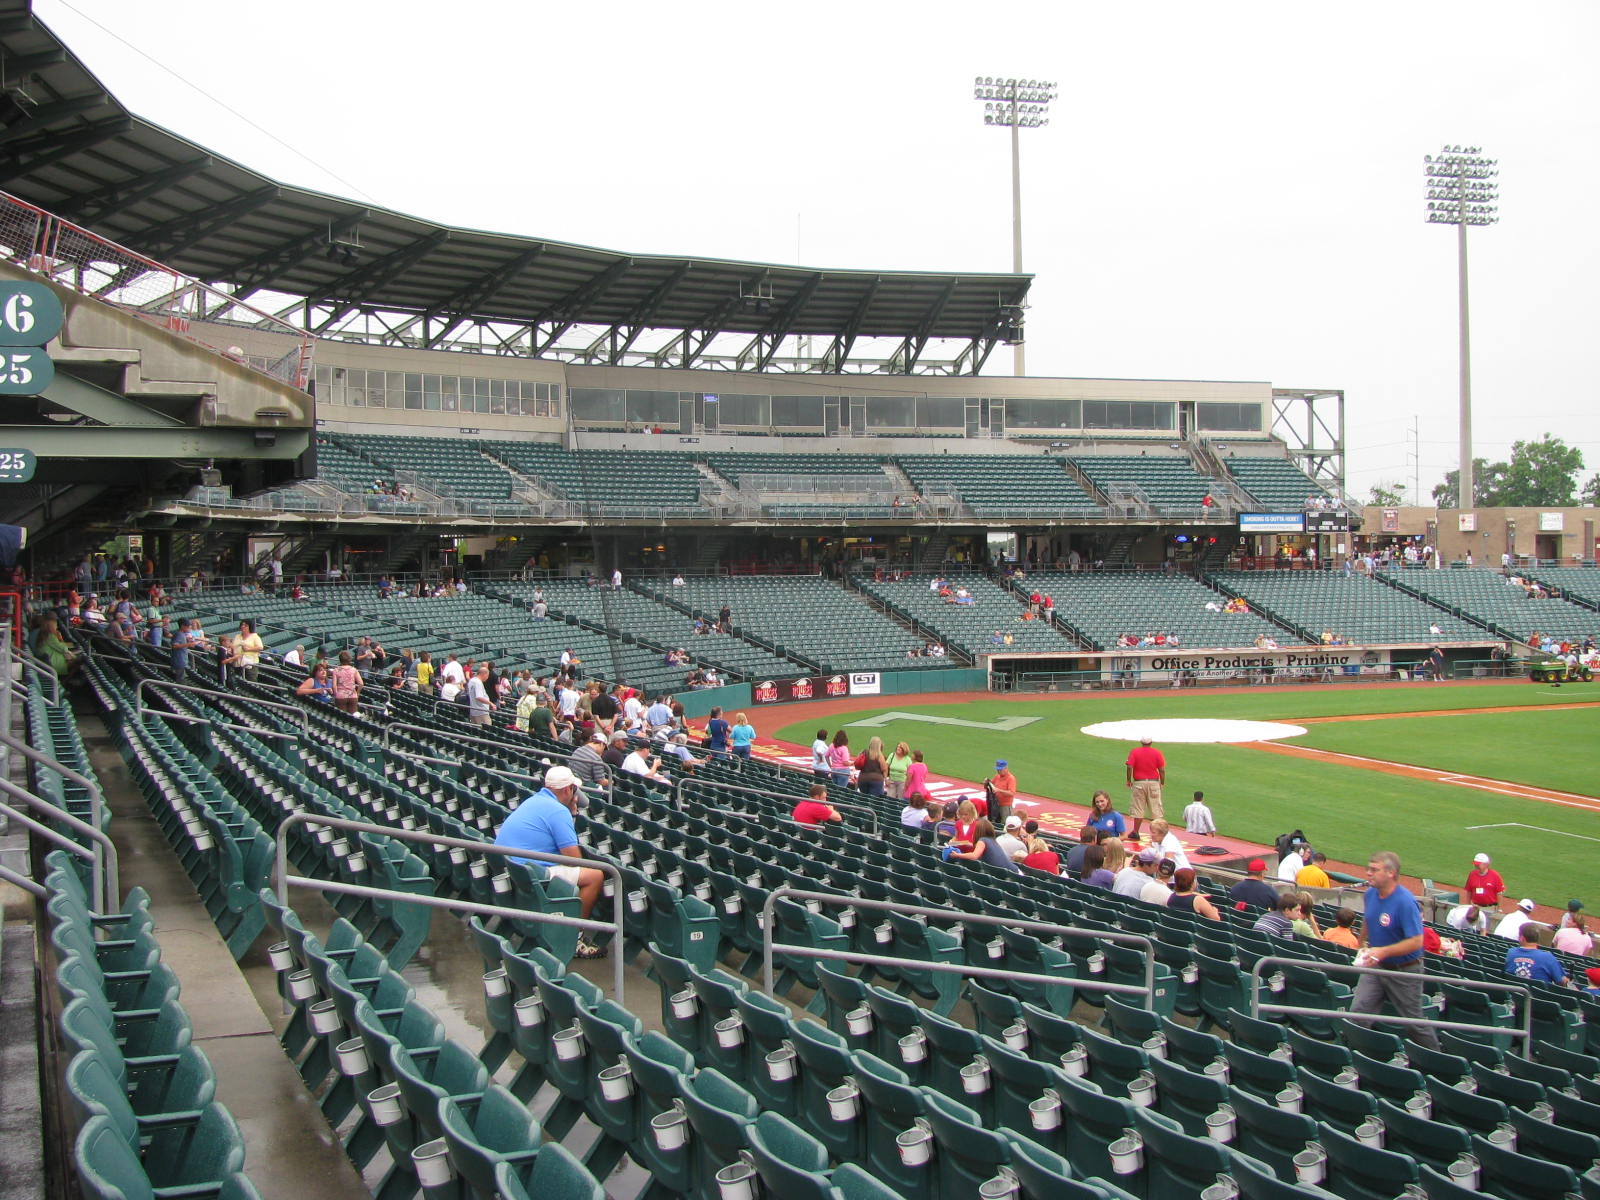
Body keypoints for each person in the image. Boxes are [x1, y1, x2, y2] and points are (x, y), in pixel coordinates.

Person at [494, 765, 606, 957]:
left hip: (513, 868)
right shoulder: (558, 811)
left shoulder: (533, 800)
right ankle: (574, 938)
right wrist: (572, 814)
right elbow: (574, 859)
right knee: (595, 875)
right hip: (532, 872)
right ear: (567, 789)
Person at [1351, 850, 1439, 1049]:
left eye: (1374, 869)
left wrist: (1383, 951)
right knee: (1357, 1014)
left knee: (1414, 1023)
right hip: (1377, 966)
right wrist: (1361, 941)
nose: (1368, 873)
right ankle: (1357, 1057)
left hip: (1405, 971)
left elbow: (1417, 941)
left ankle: (1438, 1059)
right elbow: (1369, 917)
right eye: (1368, 868)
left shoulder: (1405, 902)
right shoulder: (1370, 893)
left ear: (1391, 873)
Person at [1124, 735, 1166, 841]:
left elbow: (1129, 766)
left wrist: (1129, 780)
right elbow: (1161, 769)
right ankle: (1159, 833)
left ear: (1141, 742)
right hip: (1153, 783)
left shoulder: (1135, 752)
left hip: (1139, 783)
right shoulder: (1157, 753)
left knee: (1138, 808)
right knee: (1155, 809)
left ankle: (1136, 832)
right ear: (1151, 742)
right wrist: (1162, 782)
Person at [947, 819, 1021, 874]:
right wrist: (958, 843)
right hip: (1012, 872)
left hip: (1011, 874)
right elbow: (970, 844)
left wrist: (957, 855)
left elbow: (974, 856)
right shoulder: (991, 840)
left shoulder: (982, 840)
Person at [1505, 924, 1569, 985]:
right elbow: (1561, 981)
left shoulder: (1511, 952)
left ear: (1522, 938)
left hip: (1513, 994)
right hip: (1538, 996)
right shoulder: (1548, 957)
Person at [988, 760, 1017, 828]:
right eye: (998, 770)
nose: (998, 771)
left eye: (1000, 770)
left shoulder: (1011, 778)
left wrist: (999, 790)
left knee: (1006, 825)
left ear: (1006, 768)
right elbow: (991, 784)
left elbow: (1012, 793)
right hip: (996, 806)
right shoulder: (997, 776)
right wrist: (987, 782)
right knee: (996, 823)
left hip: (1006, 807)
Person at [235, 618, 264, 682]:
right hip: (238, 663)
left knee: (251, 681)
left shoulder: (255, 636)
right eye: (242, 625)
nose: (243, 627)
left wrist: (248, 649)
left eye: (245, 625)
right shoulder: (237, 636)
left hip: (250, 663)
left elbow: (260, 647)